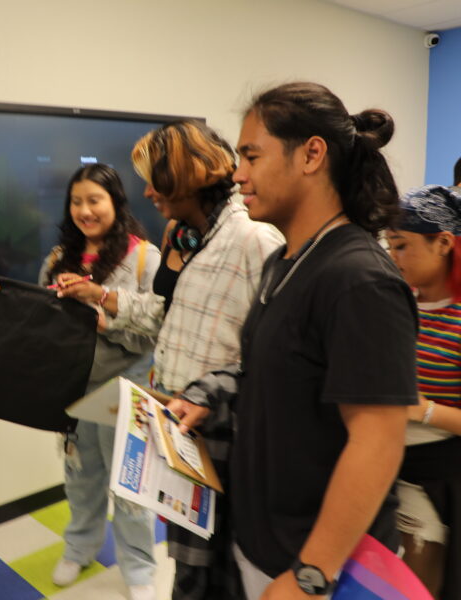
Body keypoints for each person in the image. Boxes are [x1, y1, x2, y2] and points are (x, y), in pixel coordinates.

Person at [172, 82, 419, 599]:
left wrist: (312, 573)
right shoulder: (281, 263)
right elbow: (272, 375)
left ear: (311, 154)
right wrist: (210, 400)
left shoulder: (358, 278)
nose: (238, 174)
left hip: (324, 569)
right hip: (264, 544)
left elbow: (377, 441)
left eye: (251, 155)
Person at [59, 121, 282, 599]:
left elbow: (271, 357)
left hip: (225, 430)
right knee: (189, 562)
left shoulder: (254, 242)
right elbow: (165, 314)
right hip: (179, 423)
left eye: (155, 180)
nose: (145, 192)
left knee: (225, 569)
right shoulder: (183, 236)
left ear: (189, 177)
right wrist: (104, 297)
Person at [39, 163, 161, 600]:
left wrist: (106, 324)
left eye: (95, 200)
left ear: (115, 202)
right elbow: (43, 322)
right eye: (77, 201)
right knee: (79, 476)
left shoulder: (145, 257)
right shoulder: (56, 260)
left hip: (128, 384)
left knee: (130, 485)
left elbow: (157, 328)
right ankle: (79, 548)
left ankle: (139, 569)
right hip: (75, 386)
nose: (85, 210)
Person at [385, 184, 461, 599]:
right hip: (386, 468)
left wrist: (423, 410)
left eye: (402, 246)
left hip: (435, 478)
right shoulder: (397, 302)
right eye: (389, 246)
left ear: (443, 243)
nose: (393, 258)